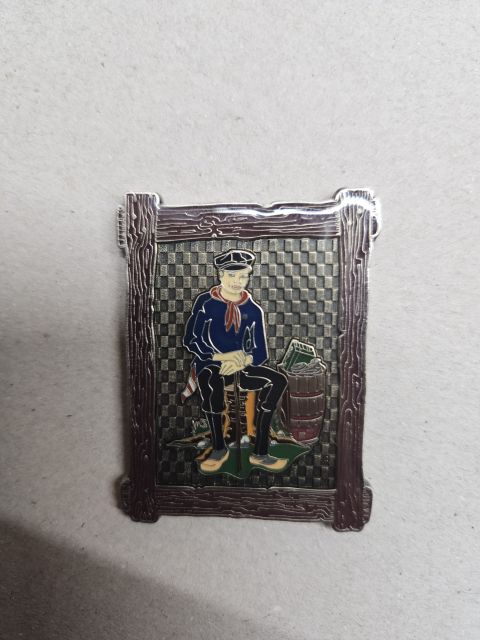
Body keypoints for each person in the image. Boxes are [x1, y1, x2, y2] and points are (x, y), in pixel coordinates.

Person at [182, 249, 288, 473]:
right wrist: (222, 358)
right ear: (221, 275)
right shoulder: (205, 302)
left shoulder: (253, 309)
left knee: (278, 380)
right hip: (211, 362)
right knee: (212, 379)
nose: (237, 281)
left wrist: (243, 361)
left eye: (243, 276)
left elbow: (261, 352)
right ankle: (219, 447)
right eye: (231, 275)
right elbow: (191, 339)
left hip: (242, 366)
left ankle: (260, 451)